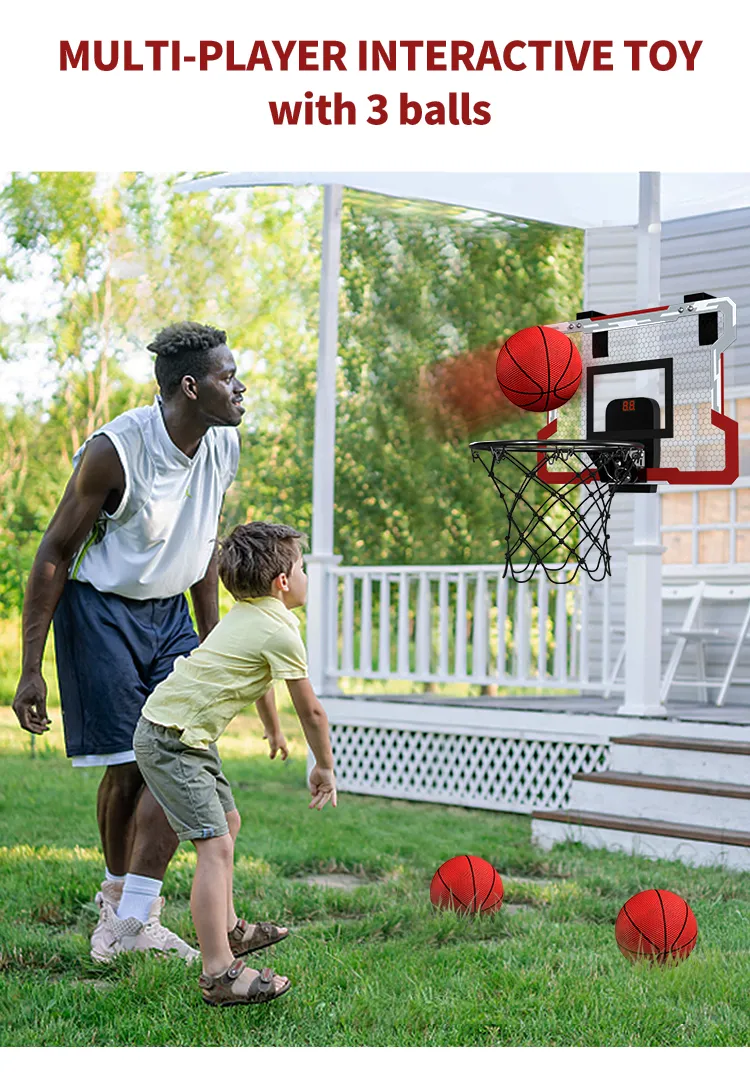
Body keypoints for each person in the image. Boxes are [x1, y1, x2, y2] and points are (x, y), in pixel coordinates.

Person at [11, 320, 279, 964]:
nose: (240, 388)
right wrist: (30, 668)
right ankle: (116, 910)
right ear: (190, 386)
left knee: (175, 751)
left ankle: (137, 918)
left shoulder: (221, 445)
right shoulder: (115, 451)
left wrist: (214, 641)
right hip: (101, 612)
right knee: (128, 766)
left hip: (170, 617)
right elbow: (54, 551)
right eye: (227, 376)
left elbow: (205, 549)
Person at [133, 521, 337, 1006]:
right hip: (170, 739)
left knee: (228, 821)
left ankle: (229, 929)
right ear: (282, 582)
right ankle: (219, 972)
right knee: (215, 846)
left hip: (184, 734)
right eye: (302, 569)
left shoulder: (247, 616)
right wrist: (324, 766)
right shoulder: (280, 628)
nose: (306, 576)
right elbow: (312, 710)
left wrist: (271, 729)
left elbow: (261, 679)